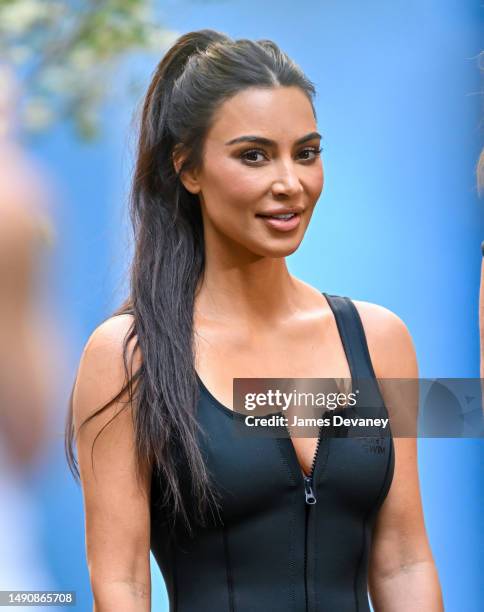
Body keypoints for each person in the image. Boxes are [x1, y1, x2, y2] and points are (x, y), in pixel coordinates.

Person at [65, 29, 443, 611]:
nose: (290, 183)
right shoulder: (126, 357)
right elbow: (121, 582)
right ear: (188, 169)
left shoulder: (379, 339)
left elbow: (404, 560)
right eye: (254, 155)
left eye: (307, 153)